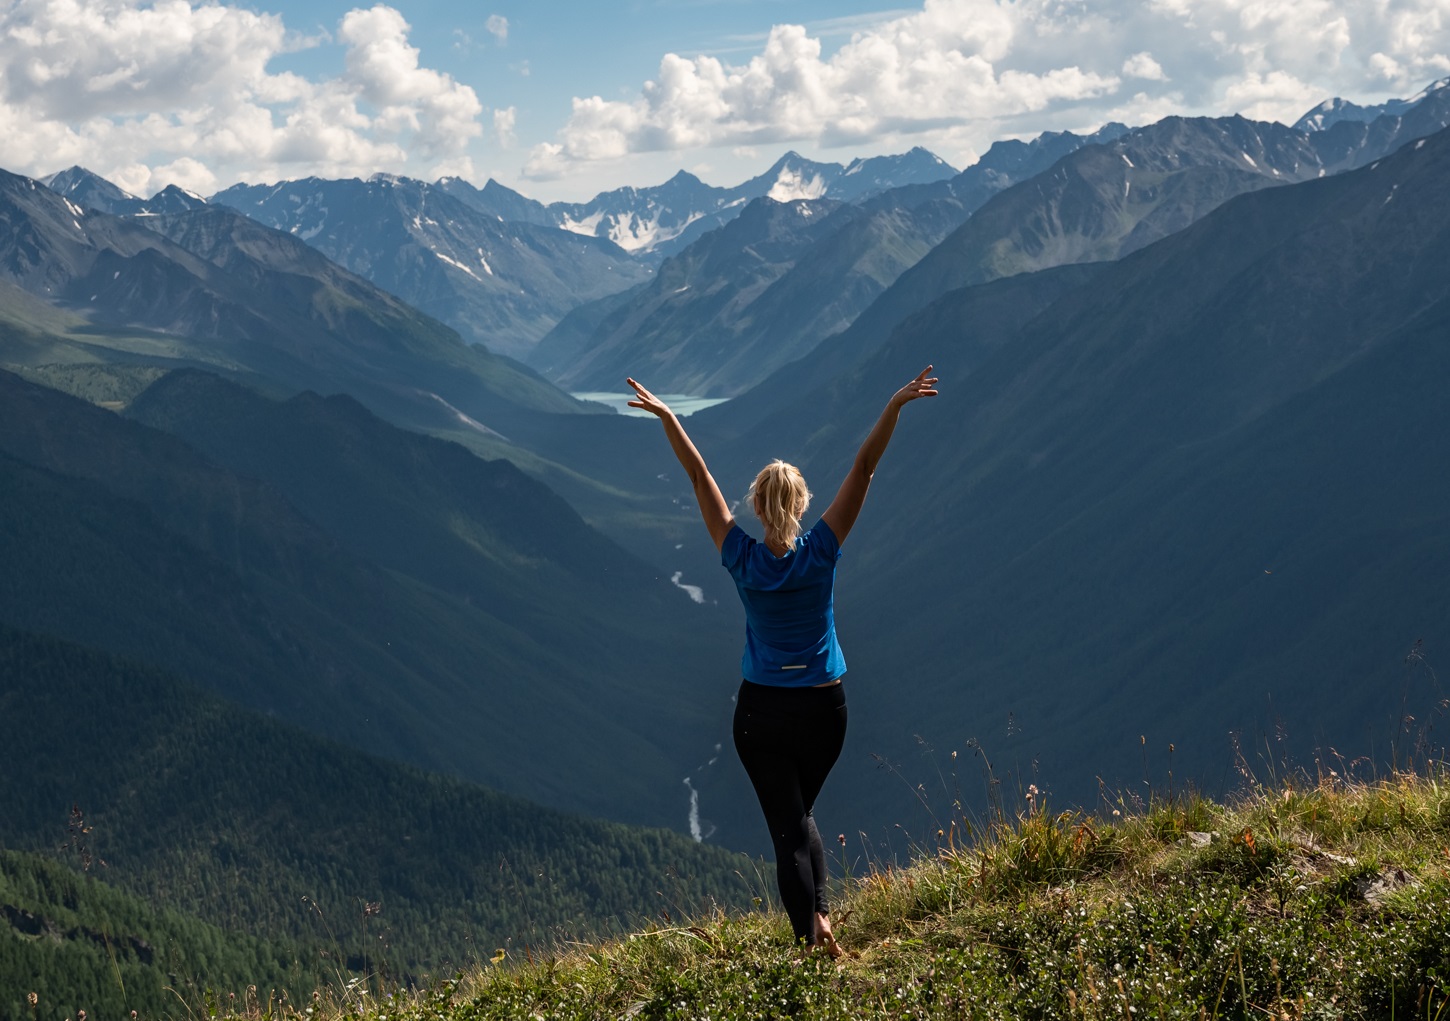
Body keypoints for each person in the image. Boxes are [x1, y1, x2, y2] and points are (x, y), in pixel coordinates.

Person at [625, 367, 939, 955]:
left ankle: (812, 945)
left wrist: (669, 418)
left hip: (762, 714)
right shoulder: (822, 550)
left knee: (788, 832)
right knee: (798, 820)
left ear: (757, 506)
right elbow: (864, 467)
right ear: (801, 503)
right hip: (826, 709)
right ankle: (821, 923)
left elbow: (698, 475)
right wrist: (894, 404)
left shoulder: (740, 556)